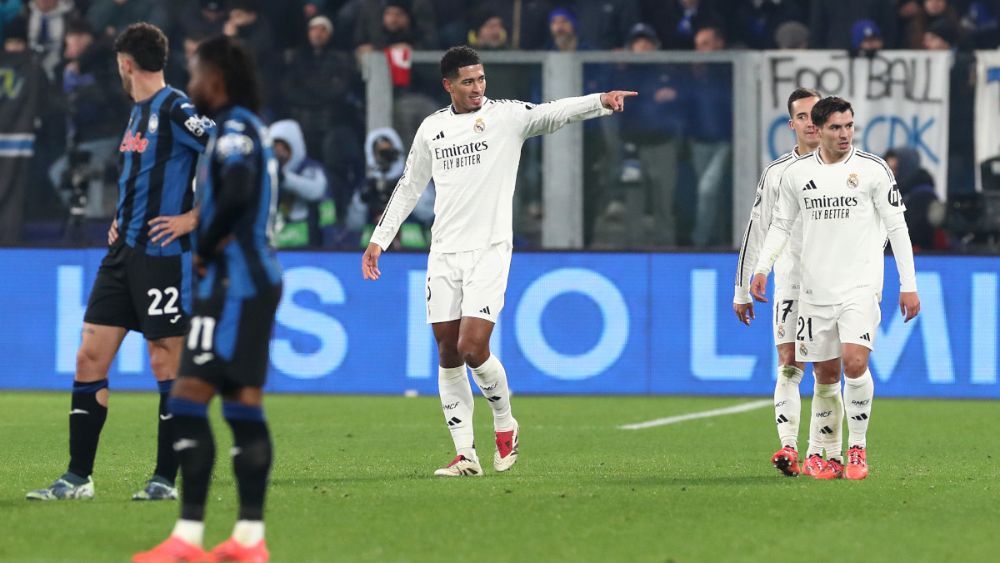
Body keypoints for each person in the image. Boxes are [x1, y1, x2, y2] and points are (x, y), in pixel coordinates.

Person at [361, 45, 635, 477]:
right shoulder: (432, 129)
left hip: (489, 249)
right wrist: (380, 238)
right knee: (448, 353)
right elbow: (409, 186)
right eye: (468, 81)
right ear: (448, 85)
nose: (477, 88)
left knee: (473, 348)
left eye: (481, 79)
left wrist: (599, 102)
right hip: (444, 253)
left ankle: (505, 423)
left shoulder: (505, 116)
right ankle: (464, 454)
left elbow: (552, 113)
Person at [26, 23, 212, 502]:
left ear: (125, 63)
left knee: (164, 363)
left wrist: (193, 217)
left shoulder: (175, 107)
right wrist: (118, 219)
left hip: (163, 257)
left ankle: (164, 480)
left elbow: (233, 156)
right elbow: (142, 177)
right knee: (89, 357)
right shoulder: (136, 115)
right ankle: (77, 477)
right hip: (121, 254)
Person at [134, 34, 283, 563]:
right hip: (232, 284)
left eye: (197, 73)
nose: (191, 82)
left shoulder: (236, 128)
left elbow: (239, 189)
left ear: (216, 78)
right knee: (214, 401)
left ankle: (222, 539)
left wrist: (208, 239)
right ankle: (220, 539)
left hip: (240, 283)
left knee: (208, 399)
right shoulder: (240, 127)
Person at [750, 96, 921, 480]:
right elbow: (780, 225)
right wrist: (762, 268)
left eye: (849, 126)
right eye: (836, 127)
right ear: (819, 128)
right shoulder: (796, 175)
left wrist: (908, 284)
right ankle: (822, 455)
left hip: (859, 286)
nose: (844, 134)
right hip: (813, 291)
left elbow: (897, 228)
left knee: (855, 363)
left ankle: (857, 448)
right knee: (825, 376)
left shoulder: (873, 170)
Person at [734, 88, 845, 478]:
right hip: (790, 282)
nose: (811, 122)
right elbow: (757, 231)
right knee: (788, 364)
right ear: (793, 124)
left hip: (833, 285)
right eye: (802, 117)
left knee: (827, 372)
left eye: (816, 114)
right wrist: (742, 287)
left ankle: (822, 451)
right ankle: (788, 449)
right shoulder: (778, 173)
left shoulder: (846, 168)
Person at [270, 118, 334, 248]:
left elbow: (316, 191)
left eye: (283, 148)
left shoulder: (310, 168)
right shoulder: (268, 172)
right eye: (275, 148)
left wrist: (285, 178)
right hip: (277, 242)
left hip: (308, 243)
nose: (279, 153)